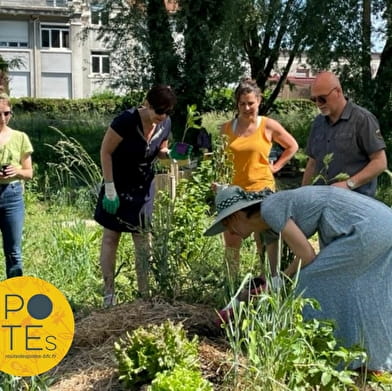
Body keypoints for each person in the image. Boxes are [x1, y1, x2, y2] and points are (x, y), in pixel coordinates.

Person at [204, 184, 392, 372]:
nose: (230, 233)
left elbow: (306, 255)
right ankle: (364, 356)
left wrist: (280, 282)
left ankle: (328, 353)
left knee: (308, 283)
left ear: (236, 215)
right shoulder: (267, 225)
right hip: (380, 223)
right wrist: (250, 292)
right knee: (357, 289)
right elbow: (272, 272)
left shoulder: (270, 208)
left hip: (366, 229)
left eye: (227, 225)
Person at [94, 85, 177, 307]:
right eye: (158, 111)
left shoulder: (165, 123)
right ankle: (109, 293)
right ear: (147, 104)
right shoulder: (125, 121)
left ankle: (143, 294)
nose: (162, 116)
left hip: (143, 187)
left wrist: (166, 154)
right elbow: (106, 152)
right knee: (111, 237)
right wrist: (109, 188)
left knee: (142, 239)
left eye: (166, 112)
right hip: (118, 184)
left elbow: (161, 149)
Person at [217, 77, 298, 280]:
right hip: (235, 194)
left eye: (250, 103)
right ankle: (232, 285)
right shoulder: (226, 129)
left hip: (262, 191)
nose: (246, 108)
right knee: (232, 240)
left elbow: (292, 146)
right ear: (237, 104)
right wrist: (219, 183)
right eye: (242, 103)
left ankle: (269, 283)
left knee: (267, 240)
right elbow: (221, 161)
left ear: (259, 101)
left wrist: (276, 166)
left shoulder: (268, 125)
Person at [302, 71, 387, 197]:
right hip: (323, 201)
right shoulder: (318, 123)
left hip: (355, 203)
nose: (318, 104)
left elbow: (380, 162)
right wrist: (302, 194)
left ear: (337, 92)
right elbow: (312, 162)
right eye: (314, 99)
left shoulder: (362, 120)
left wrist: (349, 184)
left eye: (322, 99)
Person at [0, 90, 33, 278]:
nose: (3, 118)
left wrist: (17, 171)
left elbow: (29, 173)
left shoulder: (20, 137)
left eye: (7, 113)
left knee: (13, 252)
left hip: (12, 196)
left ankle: (14, 297)